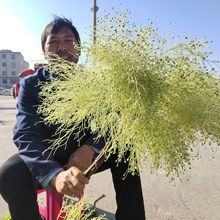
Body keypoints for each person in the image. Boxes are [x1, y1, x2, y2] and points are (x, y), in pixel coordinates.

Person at [0, 17, 145, 220]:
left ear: (79, 48)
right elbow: (25, 135)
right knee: (9, 173)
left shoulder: (95, 82)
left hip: (84, 155)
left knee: (125, 151)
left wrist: (90, 148)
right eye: (53, 41)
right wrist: (54, 174)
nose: (62, 47)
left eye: (69, 40)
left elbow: (113, 122)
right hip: (47, 154)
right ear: (44, 50)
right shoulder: (30, 85)